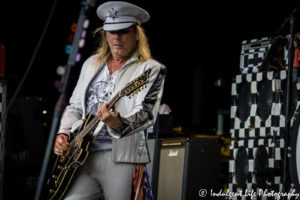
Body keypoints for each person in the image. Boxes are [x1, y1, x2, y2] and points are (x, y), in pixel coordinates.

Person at [53, 1, 166, 200]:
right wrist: (63, 133)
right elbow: (75, 106)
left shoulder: (150, 69)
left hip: (122, 159)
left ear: (136, 34)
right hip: (82, 156)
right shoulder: (91, 64)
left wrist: (117, 123)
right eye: (111, 31)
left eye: (123, 31)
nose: (116, 37)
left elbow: (147, 114)